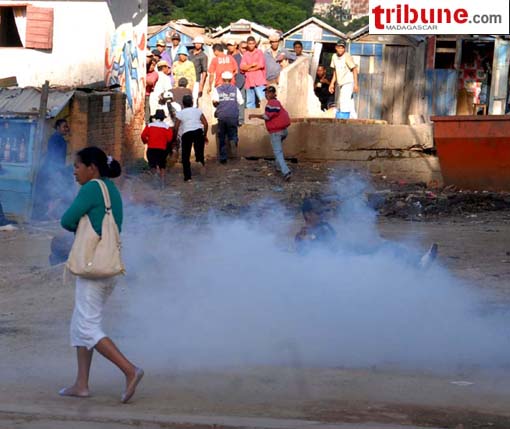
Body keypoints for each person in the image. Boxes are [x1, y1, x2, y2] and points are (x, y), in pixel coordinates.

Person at [59, 147, 143, 403]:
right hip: (108, 267)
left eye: (77, 166)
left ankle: (130, 370)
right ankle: (81, 384)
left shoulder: (92, 188)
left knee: (86, 326)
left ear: (92, 168)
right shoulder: (111, 189)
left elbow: (66, 220)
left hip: (92, 268)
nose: (74, 172)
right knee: (80, 324)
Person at [248, 86, 292, 181]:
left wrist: (254, 115)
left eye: (268, 93)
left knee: (278, 152)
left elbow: (267, 117)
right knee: (278, 151)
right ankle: (278, 167)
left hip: (276, 132)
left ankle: (286, 172)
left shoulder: (271, 103)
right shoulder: (277, 102)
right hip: (283, 131)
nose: (266, 94)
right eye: (266, 93)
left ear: (273, 94)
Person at [33, 119, 72, 219]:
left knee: (52, 192)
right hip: (52, 170)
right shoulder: (56, 139)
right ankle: (47, 214)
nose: (66, 129)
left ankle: (46, 213)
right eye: (64, 126)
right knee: (56, 192)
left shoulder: (58, 139)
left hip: (53, 169)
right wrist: (57, 171)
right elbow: (54, 156)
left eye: (67, 126)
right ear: (58, 127)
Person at [211, 71, 244, 164]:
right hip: (233, 115)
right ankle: (233, 141)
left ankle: (223, 157)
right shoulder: (235, 89)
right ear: (231, 79)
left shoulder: (217, 89)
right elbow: (241, 102)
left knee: (222, 136)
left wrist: (217, 105)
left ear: (222, 79)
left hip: (222, 115)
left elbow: (215, 102)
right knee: (233, 133)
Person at [174, 95, 208, 182]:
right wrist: (204, 135)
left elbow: (176, 127)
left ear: (183, 103)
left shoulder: (180, 113)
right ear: (192, 103)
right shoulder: (197, 111)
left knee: (185, 156)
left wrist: (175, 138)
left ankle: (188, 177)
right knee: (199, 152)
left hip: (187, 133)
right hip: (198, 131)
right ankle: (200, 164)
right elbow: (205, 124)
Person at [141, 109, 174, 185]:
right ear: (163, 118)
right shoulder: (167, 127)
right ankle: (162, 182)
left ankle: (154, 179)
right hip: (162, 149)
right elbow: (169, 139)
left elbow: (143, 136)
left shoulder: (149, 125)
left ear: (155, 117)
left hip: (151, 148)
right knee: (162, 165)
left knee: (152, 164)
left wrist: (146, 142)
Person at [329, 39, 359, 119]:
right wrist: (332, 83)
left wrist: (356, 84)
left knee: (343, 101)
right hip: (341, 83)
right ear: (336, 47)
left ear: (344, 48)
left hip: (348, 82)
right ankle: (354, 119)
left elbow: (354, 69)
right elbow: (335, 71)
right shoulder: (334, 56)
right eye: (339, 47)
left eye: (342, 48)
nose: (340, 49)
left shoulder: (347, 56)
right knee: (350, 102)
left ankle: (343, 120)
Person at [240, 36, 266, 108]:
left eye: (253, 43)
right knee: (250, 102)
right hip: (249, 81)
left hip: (259, 80)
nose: (251, 45)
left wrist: (248, 69)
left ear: (255, 44)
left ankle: (266, 114)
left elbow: (260, 65)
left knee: (263, 99)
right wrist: (251, 65)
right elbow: (242, 67)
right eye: (249, 44)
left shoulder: (259, 52)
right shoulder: (246, 54)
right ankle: (251, 115)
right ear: (247, 44)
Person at [229, 40, 246, 125]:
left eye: (246, 48)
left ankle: (241, 119)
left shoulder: (246, 56)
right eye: (243, 48)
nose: (244, 49)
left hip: (245, 81)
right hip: (235, 82)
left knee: (243, 101)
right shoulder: (232, 57)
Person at [189, 36, 208, 106]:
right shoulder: (189, 53)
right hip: (188, 78)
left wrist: (201, 84)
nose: (197, 45)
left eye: (199, 43)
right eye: (196, 43)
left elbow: (204, 71)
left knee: (194, 98)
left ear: (202, 44)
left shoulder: (203, 56)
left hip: (196, 80)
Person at [145, 58, 159, 122]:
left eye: (153, 65)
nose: (151, 66)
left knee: (146, 111)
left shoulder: (155, 74)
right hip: (139, 95)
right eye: (150, 64)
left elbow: (150, 82)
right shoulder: (144, 71)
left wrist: (142, 77)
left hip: (147, 95)